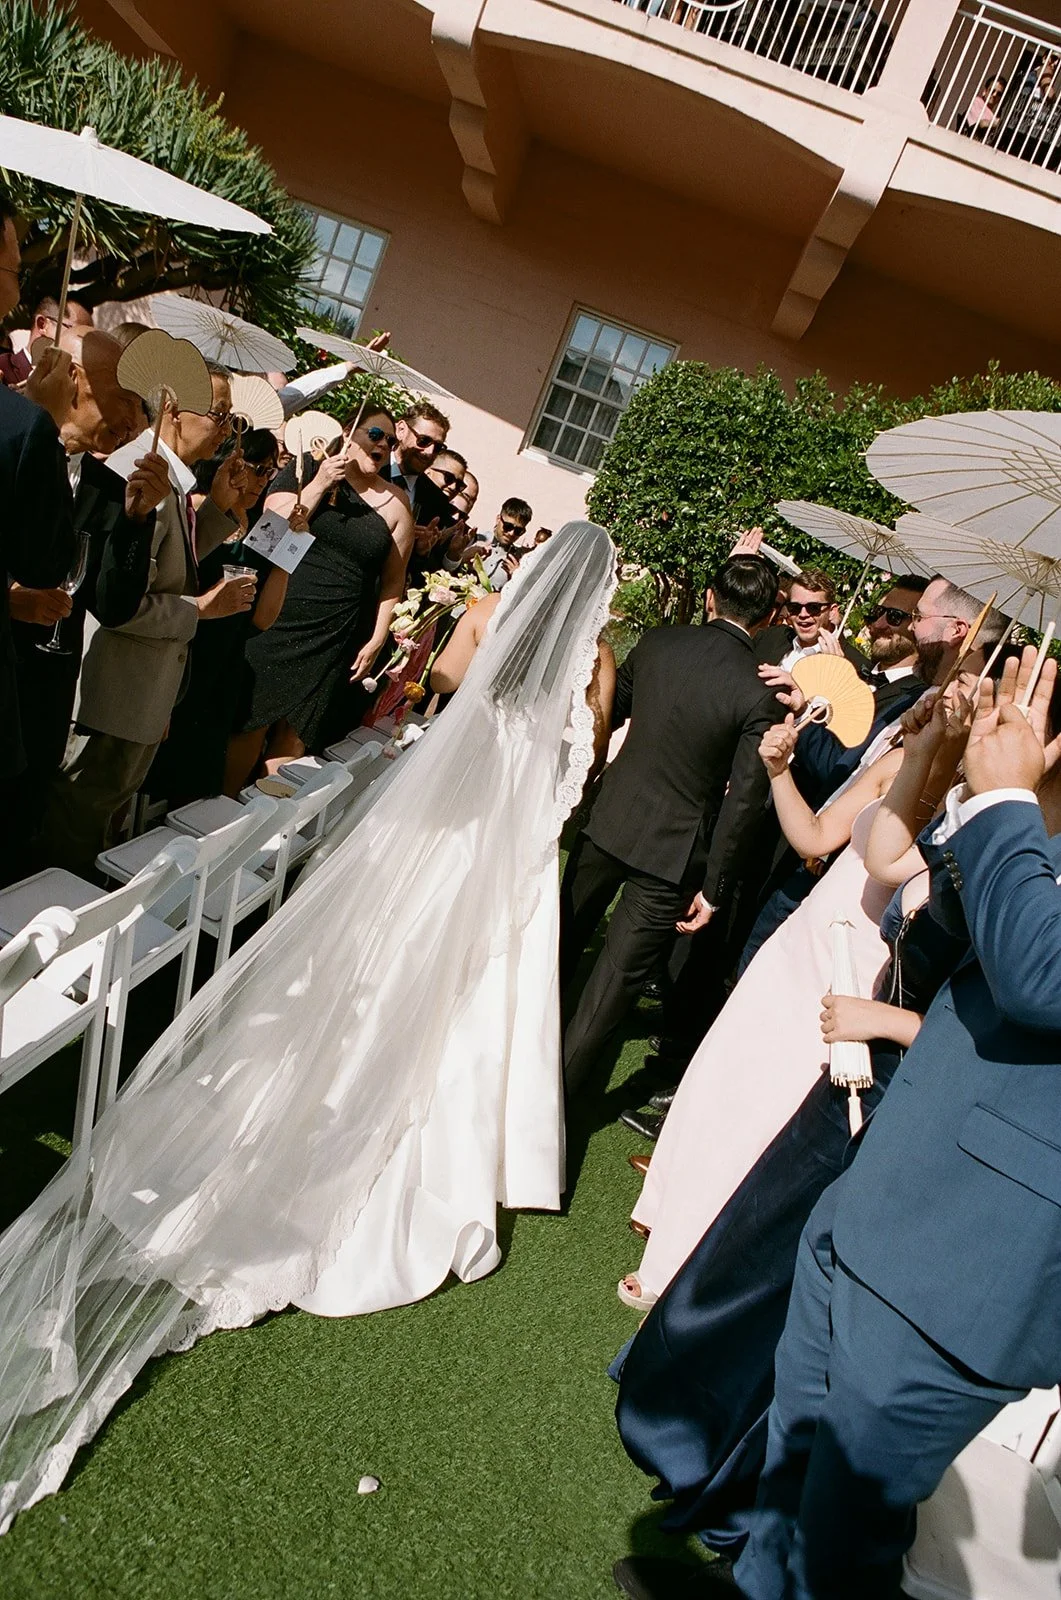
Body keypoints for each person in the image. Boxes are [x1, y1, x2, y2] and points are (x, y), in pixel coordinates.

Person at [0, 521, 617, 1532]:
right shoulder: (589, 672)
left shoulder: (486, 619)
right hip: (498, 860)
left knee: (363, 982)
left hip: (430, 837)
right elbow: (575, 767)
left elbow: (443, 689)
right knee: (444, 1002)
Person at [713, 654, 1061, 1600]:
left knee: (846, 1529)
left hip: (971, 1257)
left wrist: (1004, 804)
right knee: (793, 1450)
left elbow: (1042, 977)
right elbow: (926, 878)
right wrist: (951, 753)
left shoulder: (1020, 819)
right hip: (881, 1193)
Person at [560, 554, 785, 1096]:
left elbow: (606, 711)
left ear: (711, 597)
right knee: (610, 991)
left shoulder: (659, 642)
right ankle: (553, 1111)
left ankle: (512, 1050)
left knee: (559, 945)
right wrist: (713, 889)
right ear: (767, 617)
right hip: (673, 853)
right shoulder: (760, 692)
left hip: (610, 819)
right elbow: (743, 803)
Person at [40, 361, 249, 873]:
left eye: (230, 420)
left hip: (141, 699)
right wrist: (201, 609)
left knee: (95, 827)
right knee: (70, 833)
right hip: (111, 695)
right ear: (174, 409)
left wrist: (220, 509)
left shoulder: (174, 477)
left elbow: (165, 570)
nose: (224, 429)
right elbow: (116, 599)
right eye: (218, 414)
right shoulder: (142, 470)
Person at [8, 330, 170, 872]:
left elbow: (113, 604)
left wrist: (137, 520)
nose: (135, 418)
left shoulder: (105, 484)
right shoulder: (13, 442)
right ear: (76, 380)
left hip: (45, 706)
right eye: (125, 397)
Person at [232, 407, 413, 778]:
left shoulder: (396, 503)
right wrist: (318, 486)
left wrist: (378, 638)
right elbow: (268, 530)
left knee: (296, 734)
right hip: (282, 611)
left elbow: (393, 580)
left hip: (337, 630)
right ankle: (224, 807)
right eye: (375, 434)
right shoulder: (307, 469)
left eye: (391, 441)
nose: (383, 445)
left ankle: (262, 821)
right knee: (251, 720)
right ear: (350, 431)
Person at [146, 429, 301, 805]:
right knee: (153, 779)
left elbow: (262, 618)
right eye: (255, 468)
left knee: (197, 788)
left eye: (270, 472)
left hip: (224, 667)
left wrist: (289, 552)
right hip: (186, 655)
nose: (263, 480)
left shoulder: (261, 525)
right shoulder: (200, 510)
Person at [0, 188, 77, 877]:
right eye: (14, 269)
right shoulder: (21, 429)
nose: (19, 291)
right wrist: (44, 424)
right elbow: (49, 558)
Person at [769, 569, 863, 673]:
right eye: (795, 607)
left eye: (813, 607)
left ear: (832, 611)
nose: (803, 614)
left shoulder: (855, 665)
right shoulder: (772, 636)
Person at [476, 497, 533, 590]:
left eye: (518, 530)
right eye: (508, 526)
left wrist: (517, 578)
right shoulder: (476, 540)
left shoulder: (520, 560)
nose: (511, 533)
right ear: (498, 519)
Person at [956, 75, 1006, 139]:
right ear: (985, 91)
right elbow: (982, 123)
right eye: (992, 91)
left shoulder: (995, 114)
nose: (994, 95)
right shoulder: (976, 102)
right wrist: (995, 123)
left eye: (999, 94)